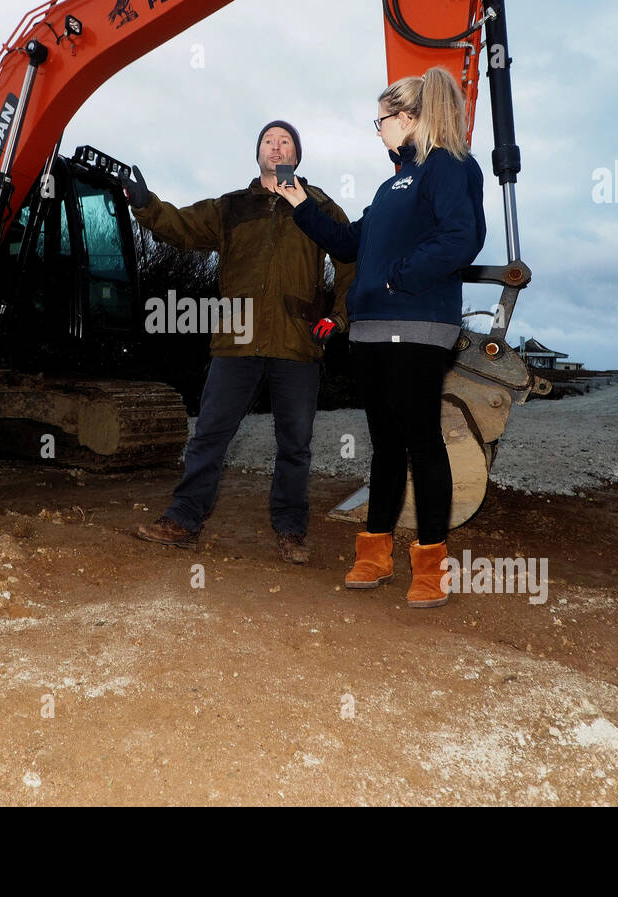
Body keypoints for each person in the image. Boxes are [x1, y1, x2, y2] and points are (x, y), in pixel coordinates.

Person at [273, 68, 486, 606]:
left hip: (416, 325)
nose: (379, 130)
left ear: (409, 118)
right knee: (387, 446)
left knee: (421, 441)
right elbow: (347, 244)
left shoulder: (450, 166)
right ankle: (373, 553)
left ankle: (432, 563)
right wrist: (302, 204)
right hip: (368, 331)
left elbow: (462, 236)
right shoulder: (390, 185)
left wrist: (399, 276)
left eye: (383, 120)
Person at [120, 121, 355, 564]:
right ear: (259, 153)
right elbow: (181, 227)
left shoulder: (320, 206)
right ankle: (183, 520)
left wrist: (338, 316)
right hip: (236, 339)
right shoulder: (231, 207)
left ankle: (290, 530)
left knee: (295, 443)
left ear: (297, 156)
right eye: (269, 140)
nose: (277, 145)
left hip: (298, 343)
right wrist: (146, 205)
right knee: (210, 434)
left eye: (285, 141)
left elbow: (349, 261)